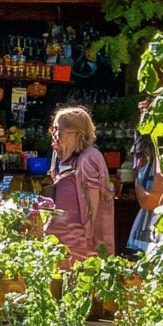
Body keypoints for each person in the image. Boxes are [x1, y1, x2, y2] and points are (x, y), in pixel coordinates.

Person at [45, 106, 115, 263]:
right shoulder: (62, 158)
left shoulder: (89, 157)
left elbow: (92, 206)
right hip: (59, 243)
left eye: (58, 129)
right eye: (53, 129)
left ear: (76, 132)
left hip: (80, 246)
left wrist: (89, 240)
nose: (54, 134)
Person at [127, 130, 163, 252]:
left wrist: (137, 178)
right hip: (148, 231)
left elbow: (149, 201)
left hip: (158, 236)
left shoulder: (162, 158)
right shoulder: (153, 160)